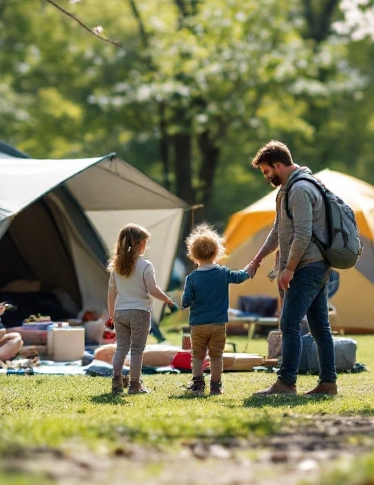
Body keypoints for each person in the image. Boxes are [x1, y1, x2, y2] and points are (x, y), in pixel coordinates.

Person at [243, 141, 338, 397]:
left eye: (266, 171)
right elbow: (278, 230)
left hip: (309, 266)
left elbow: (304, 233)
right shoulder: (287, 190)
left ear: (278, 165)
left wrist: (290, 268)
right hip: (312, 265)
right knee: (319, 326)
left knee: (289, 323)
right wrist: (258, 258)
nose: (266, 177)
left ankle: (286, 383)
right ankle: (328, 383)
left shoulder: (300, 190)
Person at [179, 224, 253, 396]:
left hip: (198, 325)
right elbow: (239, 277)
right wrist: (249, 270)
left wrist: (185, 302)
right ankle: (215, 386)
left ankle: (197, 385)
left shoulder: (192, 278)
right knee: (216, 356)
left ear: (193, 255)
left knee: (197, 355)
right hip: (219, 324)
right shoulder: (223, 273)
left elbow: (186, 300)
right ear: (215, 253)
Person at [106, 223, 177, 395]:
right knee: (137, 349)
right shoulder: (145, 265)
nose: (146, 245)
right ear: (138, 243)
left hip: (120, 312)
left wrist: (111, 314)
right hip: (139, 312)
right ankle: (135, 385)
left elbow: (111, 293)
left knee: (121, 347)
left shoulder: (116, 267)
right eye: (145, 242)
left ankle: (116, 380)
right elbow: (152, 289)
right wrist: (167, 299)